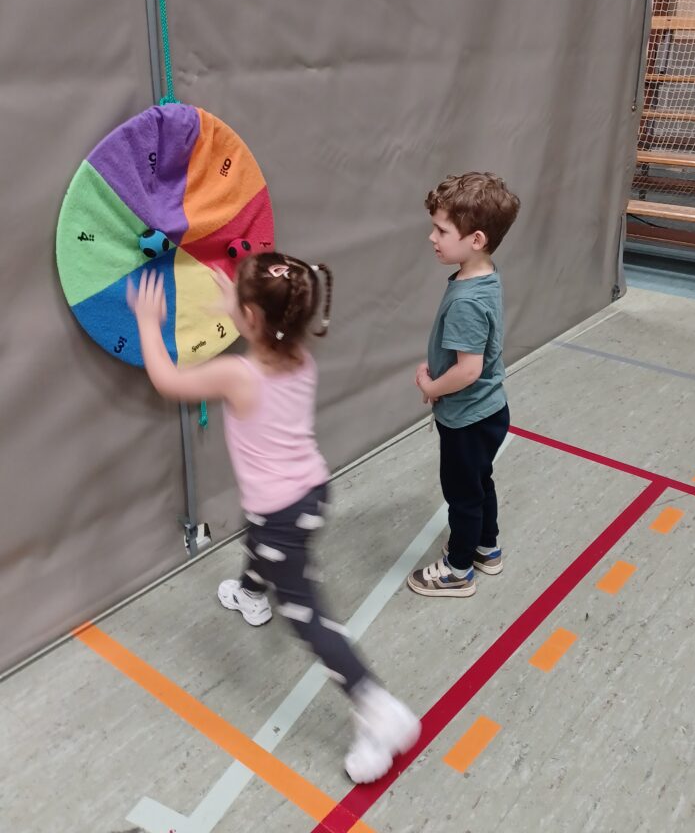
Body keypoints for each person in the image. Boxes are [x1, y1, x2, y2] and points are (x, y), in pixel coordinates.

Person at [127, 252, 420, 782]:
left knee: (306, 615)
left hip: (279, 513)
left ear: (252, 318)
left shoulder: (237, 375)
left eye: (240, 304)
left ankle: (375, 706)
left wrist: (148, 322)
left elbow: (167, 380)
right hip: (311, 494)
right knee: (264, 545)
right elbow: (270, 330)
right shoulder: (301, 356)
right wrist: (238, 305)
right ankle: (249, 592)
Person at [408, 172, 521, 599]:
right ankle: (486, 548)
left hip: (467, 418)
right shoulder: (483, 275)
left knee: (462, 495)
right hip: (489, 410)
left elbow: (468, 370)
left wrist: (432, 385)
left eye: (441, 230)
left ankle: (458, 570)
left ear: (476, 239)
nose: (431, 237)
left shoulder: (466, 301)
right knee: (479, 481)